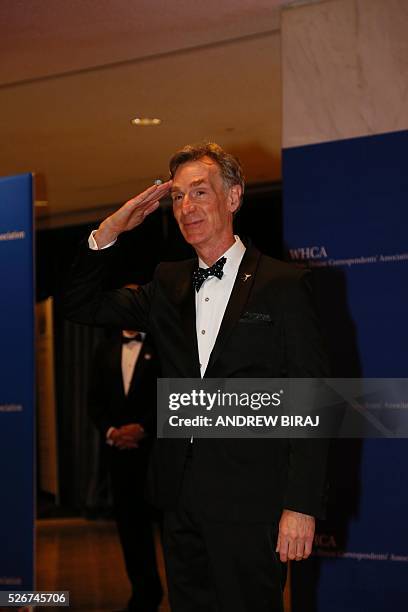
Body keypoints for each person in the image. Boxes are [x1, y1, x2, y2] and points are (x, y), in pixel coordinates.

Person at [64, 142, 329, 612]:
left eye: (200, 192)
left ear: (234, 197)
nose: (187, 207)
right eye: (178, 196)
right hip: (180, 500)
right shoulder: (167, 284)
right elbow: (79, 305)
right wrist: (109, 230)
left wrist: (301, 505)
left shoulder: (284, 285)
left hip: (253, 505)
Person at [88, 320, 162, 612]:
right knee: (131, 532)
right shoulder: (103, 350)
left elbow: (171, 396)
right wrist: (112, 433)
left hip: (155, 454)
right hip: (119, 456)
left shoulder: (162, 347)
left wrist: (143, 428)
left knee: (169, 531)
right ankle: (144, 596)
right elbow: (94, 402)